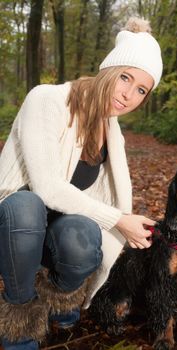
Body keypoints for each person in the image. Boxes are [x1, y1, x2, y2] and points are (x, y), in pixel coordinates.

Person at [0, 17, 163, 350]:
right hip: (13, 227)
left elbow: (99, 206)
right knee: (27, 205)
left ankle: (60, 297)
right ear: (108, 69)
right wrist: (120, 220)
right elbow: (46, 187)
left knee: (86, 235)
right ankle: (20, 323)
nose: (128, 94)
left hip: (52, 233)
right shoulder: (46, 99)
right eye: (125, 78)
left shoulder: (111, 132)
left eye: (141, 90)